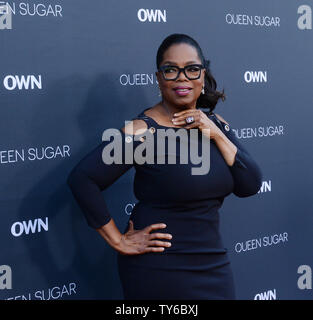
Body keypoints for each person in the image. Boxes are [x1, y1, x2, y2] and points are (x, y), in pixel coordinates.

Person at [67, 33, 263, 300]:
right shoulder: (143, 131)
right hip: (159, 269)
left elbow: (250, 185)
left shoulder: (214, 123)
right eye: (171, 70)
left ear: (202, 75)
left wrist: (215, 132)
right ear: (159, 78)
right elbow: (83, 179)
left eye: (192, 69)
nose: (182, 77)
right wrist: (118, 240)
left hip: (213, 264)